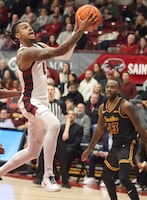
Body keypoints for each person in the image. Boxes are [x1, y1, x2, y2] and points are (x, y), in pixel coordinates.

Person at [0, 14, 97, 192]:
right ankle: (48, 176)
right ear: (17, 36)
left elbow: (65, 54)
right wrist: (81, 31)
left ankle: (1, 171)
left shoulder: (39, 45)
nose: (30, 28)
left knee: (33, 151)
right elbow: (58, 52)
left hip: (41, 102)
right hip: (30, 101)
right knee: (54, 125)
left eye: (30, 26)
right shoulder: (25, 52)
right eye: (24, 28)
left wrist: (76, 30)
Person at [81, 79, 147, 200]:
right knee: (106, 177)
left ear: (118, 90)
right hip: (116, 145)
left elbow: (140, 128)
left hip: (128, 144)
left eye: (112, 87)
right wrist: (89, 149)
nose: (109, 89)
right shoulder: (102, 108)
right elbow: (99, 130)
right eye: (107, 87)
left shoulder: (125, 106)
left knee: (123, 177)